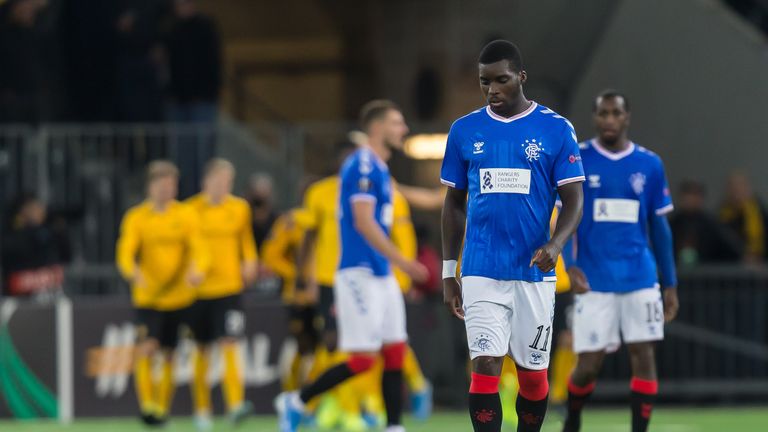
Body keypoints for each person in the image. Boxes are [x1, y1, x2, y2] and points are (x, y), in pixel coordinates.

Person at [441, 40, 585, 432]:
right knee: (485, 364)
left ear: (521, 77)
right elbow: (454, 203)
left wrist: (556, 244)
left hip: (533, 271)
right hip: (481, 268)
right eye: (485, 82)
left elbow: (574, 199)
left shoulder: (555, 129)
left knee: (533, 376)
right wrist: (448, 270)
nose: (492, 90)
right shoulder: (464, 130)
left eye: (501, 80)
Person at [276, 100, 429, 432]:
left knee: (395, 351)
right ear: (377, 128)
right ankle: (297, 400)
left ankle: (394, 426)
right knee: (361, 359)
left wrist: (456, 192)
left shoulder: (380, 168)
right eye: (397, 123)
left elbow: (411, 199)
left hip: (381, 274)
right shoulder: (361, 165)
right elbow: (362, 221)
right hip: (358, 274)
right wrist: (404, 261)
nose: (403, 130)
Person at [561, 90, 679, 432]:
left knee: (644, 354)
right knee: (589, 365)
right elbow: (566, 217)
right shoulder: (578, 159)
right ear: (595, 117)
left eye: (615, 113)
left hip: (640, 276)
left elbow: (659, 228)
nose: (609, 120)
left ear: (627, 117)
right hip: (595, 277)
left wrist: (669, 283)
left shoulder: (649, 164)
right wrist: (571, 264)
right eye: (603, 114)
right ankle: (573, 418)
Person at [116, 160, 209, 426]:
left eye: (171, 185)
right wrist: (132, 271)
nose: (167, 190)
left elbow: (199, 248)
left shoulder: (186, 215)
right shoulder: (136, 217)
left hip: (180, 298)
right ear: (150, 186)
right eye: (162, 184)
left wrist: (198, 269)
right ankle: (147, 405)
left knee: (169, 353)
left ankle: (161, 408)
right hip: (149, 298)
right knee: (147, 347)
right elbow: (125, 251)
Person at [184, 159, 257, 430]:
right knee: (201, 350)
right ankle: (202, 410)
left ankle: (235, 405)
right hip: (199, 292)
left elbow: (246, 241)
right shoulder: (189, 210)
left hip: (230, 289)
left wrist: (250, 261)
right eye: (219, 181)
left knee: (231, 343)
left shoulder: (239, 208)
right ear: (206, 182)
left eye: (228, 182)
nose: (223, 186)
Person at [670, 180, 742, 265]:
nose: (690, 199)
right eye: (688, 195)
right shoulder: (674, 223)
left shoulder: (712, 224)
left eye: (695, 195)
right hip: (677, 271)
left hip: (706, 272)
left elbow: (732, 246)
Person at [719, 171, 768, 264]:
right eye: (733, 188)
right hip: (731, 265)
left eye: (741, 186)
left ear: (748, 188)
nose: (737, 191)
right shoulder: (722, 215)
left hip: (761, 264)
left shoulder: (761, 213)